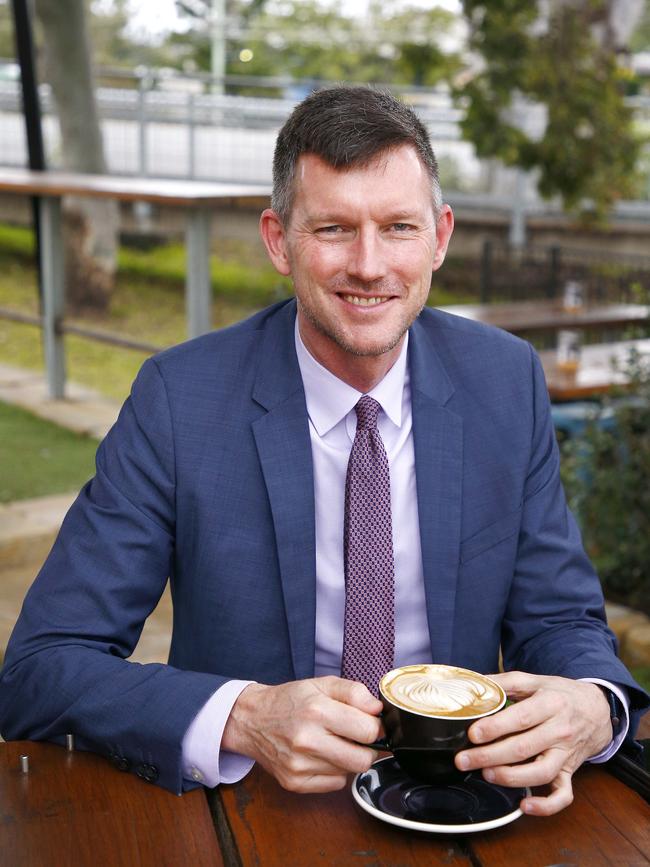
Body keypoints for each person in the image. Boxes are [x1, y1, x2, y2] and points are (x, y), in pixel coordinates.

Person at [0, 86, 647, 817]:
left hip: (459, 804)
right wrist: (244, 715)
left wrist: (594, 703)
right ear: (278, 240)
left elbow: (560, 621)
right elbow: (39, 668)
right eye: (334, 228)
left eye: (398, 227)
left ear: (440, 236)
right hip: (252, 810)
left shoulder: (505, 381)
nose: (369, 266)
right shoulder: (180, 400)